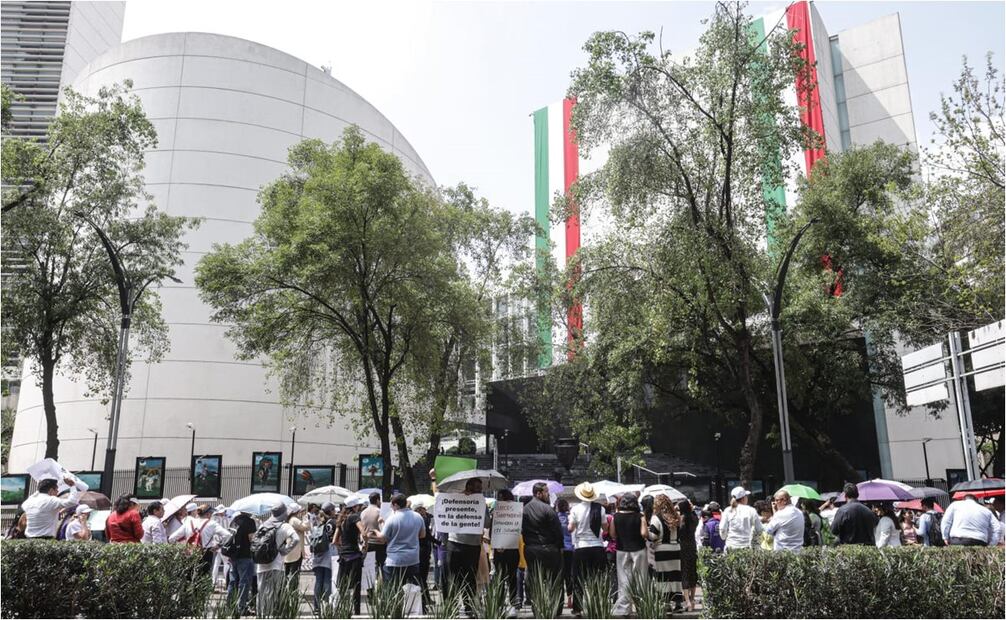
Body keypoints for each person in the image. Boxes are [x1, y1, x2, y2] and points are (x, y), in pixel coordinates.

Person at [370, 493, 426, 609]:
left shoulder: (392, 518)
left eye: (391, 505)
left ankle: (395, 612)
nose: (391, 507)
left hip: (394, 560)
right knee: (412, 590)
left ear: (395, 505)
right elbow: (422, 535)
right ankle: (412, 612)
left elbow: (383, 538)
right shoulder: (418, 516)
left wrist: (376, 530)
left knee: (392, 590)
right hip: (413, 559)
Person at [522, 481, 564, 617]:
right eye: (546, 492)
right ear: (538, 493)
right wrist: (560, 546)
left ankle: (537, 608)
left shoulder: (524, 509)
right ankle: (556, 609)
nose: (548, 494)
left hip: (531, 549)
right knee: (554, 581)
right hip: (549, 549)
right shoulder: (548, 509)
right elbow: (558, 531)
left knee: (534, 580)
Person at [445, 477, 485, 610]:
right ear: (469, 487)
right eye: (478, 488)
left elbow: (487, 523)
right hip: (459, 544)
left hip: (467, 545)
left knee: (466, 577)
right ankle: (456, 606)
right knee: (461, 577)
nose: (480, 490)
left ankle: (465, 606)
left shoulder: (480, 502)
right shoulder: (457, 499)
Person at [568, 482, 607, 617]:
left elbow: (570, 528)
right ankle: (596, 605)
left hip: (581, 547)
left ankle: (578, 608)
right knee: (597, 577)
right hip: (597, 546)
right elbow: (605, 528)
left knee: (579, 578)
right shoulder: (600, 509)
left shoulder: (575, 509)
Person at [255, 502, 298, 617]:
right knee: (272, 593)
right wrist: (286, 550)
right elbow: (296, 539)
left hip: (261, 565)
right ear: (284, 512)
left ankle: (261, 615)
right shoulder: (284, 526)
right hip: (276, 564)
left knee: (261, 593)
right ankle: (269, 615)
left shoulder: (263, 525)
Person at [610, 494, 648, 617]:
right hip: (638, 549)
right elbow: (644, 533)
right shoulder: (640, 516)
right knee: (641, 578)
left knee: (623, 580)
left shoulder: (616, 516)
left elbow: (613, 534)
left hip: (622, 549)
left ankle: (624, 608)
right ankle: (641, 606)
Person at [647, 495, 682, 613]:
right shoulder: (675, 516)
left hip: (662, 549)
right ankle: (678, 604)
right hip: (676, 548)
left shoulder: (656, 518)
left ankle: (666, 604)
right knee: (675, 576)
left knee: (663, 577)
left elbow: (653, 536)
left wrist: (647, 532)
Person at [21, 476, 86, 538]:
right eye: (57, 490)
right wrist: (72, 486)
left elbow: (36, 495)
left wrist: (61, 482)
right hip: (46, 540)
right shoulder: (51, 500)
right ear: (51, 490)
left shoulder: (29, 501)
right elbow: (72, 502)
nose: (57, 492)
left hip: (29, 540)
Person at [335, 496, 367, 615]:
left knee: (343, 586)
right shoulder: (354, 517)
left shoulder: (341, 519)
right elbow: (363, 532)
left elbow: (335, 541)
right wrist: (366, 540)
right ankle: (356, 612)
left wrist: (342, 549)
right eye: (358, 506)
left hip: (343, 556)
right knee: (356, 586)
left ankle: (342, 610)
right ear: (355, 507)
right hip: (354, 555)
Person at [170, 504, 223, 574]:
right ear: (208, 514)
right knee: (204, 577)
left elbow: (171, 538)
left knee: (190, 575)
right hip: (206, 553)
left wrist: (182, 546)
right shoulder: (212, 524)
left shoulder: (188, 523)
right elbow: (228, 535)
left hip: (190, 552)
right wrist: (219, 545)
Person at [492, 489, 521, 613]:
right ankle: (502, 602)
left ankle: (512, 603)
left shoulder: (516, 512)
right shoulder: (497, 512)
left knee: (510, 577)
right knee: (503, 577)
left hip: (510, 549)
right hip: (502, 550)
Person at [226, 509, 258, 617]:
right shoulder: (250, 522)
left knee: (233, 581)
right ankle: (241, 607)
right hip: (245, 555)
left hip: (233, 554)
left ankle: (229, 606)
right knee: (244, 582)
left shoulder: (235, 520)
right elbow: (251, 538)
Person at [310, 502, 338, 612]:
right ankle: (326, 606)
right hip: (329, 553)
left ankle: (316, 607)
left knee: (318, 581)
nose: (335, 512)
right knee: (327, 580)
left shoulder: (318, 522)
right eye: (334, 510)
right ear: (331, 511)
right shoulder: (333, 522)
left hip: (317, 554)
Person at [719, 486, 762, 552]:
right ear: (743, 498)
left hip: (730, 547)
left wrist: (725, 537)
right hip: (747, 548)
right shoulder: (751, 510)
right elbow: (759, 529)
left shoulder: (728, 510)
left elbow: (722, 529)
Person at [676, 499, 699, 611]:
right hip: (692, 546)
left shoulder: (681, 519)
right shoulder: (695, 518)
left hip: (683, 547)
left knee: (684, 572)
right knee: (692, 572)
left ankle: (687, 601)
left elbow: (678, 531)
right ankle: (693, 599)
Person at [282, 503, 310, 587]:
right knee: (294, 574)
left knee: (287, 573)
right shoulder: (294, 520)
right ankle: (292, 593)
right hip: (296, 551)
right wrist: (305, 517)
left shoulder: (289, 520)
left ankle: (285, 594)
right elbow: (306, 527)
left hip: (289, 550)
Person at [555, 498, 575, 610]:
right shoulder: (570, 517)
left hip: (559, 549)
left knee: (559, 575)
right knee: (569, 575)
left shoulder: (555, 518)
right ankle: (570, 599)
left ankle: (560, 600)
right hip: (570, 549)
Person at [360, 492, 386, 571]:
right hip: (379, 543)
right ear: (378, 500)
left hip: (367, 542)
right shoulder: (380, 511)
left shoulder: (363, 512)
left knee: (369, 568)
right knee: (380, 567)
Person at [416, 503, 435, 608]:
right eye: (423, 509)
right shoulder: (421, 520)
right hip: (423, 551)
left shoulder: (423, 519)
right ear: (419, 510)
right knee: (423, 577)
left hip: (423, 550)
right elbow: (427, 535)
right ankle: (425, 599)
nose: (425, 510)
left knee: (422, 577)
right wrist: (438, 542)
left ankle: (425, 598)